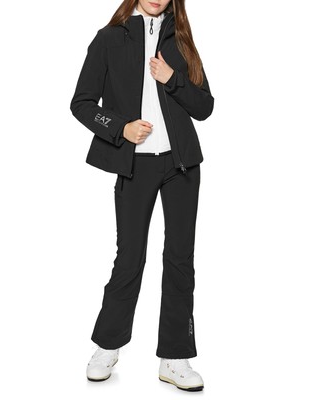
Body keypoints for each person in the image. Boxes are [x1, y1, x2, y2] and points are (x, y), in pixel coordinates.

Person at [70, 0, 214, 392]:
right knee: (129, 258)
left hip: (182, 166)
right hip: (135, 166)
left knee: (180, 259)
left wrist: (173, 80)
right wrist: (120, 128)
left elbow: (205, 106)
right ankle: (107, 346)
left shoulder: (180, 40)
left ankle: (175, 358)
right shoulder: (109, 38)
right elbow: (81, 104)